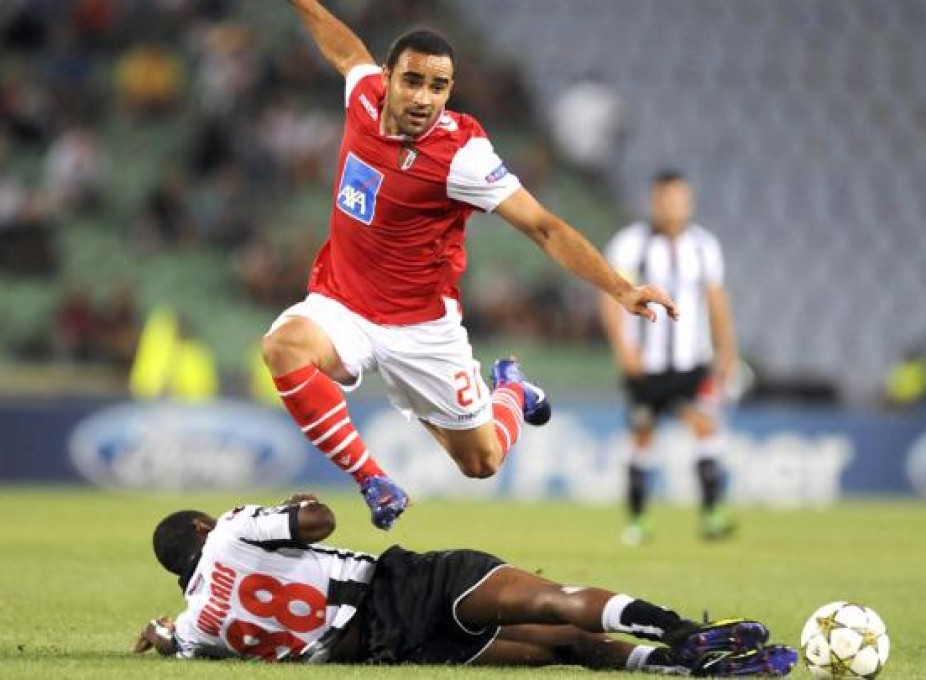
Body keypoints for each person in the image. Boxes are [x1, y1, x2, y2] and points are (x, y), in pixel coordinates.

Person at [260, 0, 679, 531]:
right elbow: (344, 47)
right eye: (412, 81)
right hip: (341, 303)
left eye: (438, 87)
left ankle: (511, 391)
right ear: (387, 78)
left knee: (480, 462)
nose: (424, 98)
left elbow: (542, 226)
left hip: (422, 329)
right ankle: (373, 480)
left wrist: (619, 288)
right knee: (283, 347)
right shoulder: (363, 96)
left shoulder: (463, 155)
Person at [134, 494, 797, 676]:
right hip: (401, 587)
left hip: (389, 649)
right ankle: (682, 633)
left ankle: (674, 668)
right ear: (199, 526)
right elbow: (319, 519)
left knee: (558, 645)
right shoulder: (227, 531)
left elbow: (171, 639)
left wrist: (160, 634)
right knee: (552, 599)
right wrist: (297, 502)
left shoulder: (196, 630)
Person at [599, 171, 740, 545]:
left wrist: (727, 350)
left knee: (706, 427)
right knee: (642, 436)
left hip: (693, 362)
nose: (672, 207)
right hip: (646, 365)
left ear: (688, 202)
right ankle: (638, 520)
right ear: (653, 201)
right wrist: (625, 349)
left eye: (679, 199)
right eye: (665, 199)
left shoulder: (704, 245)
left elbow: (716, 299)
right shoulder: (630, 244)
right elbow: (611, 297)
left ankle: (713, 514)